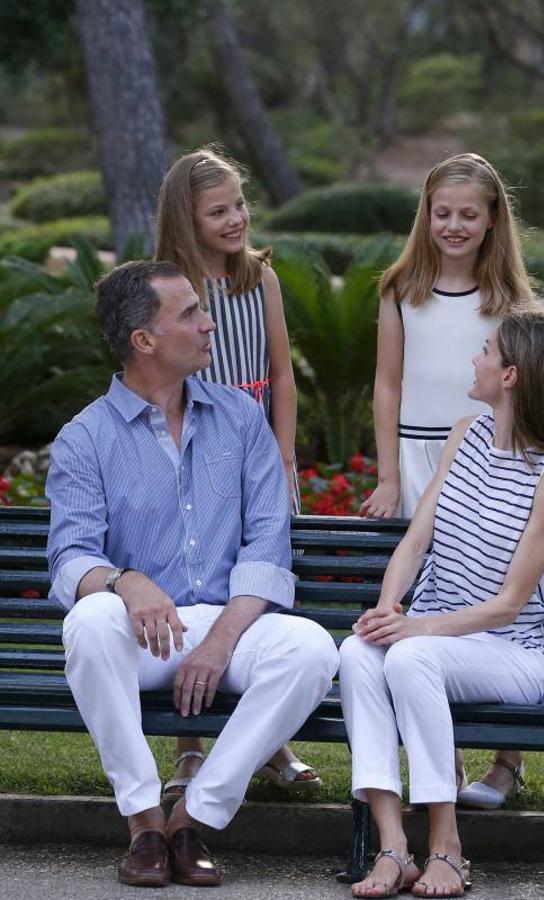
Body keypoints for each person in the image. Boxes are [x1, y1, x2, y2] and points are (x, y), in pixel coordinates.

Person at [47, 260, 339, 887]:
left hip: (227, 624)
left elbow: (267, 545)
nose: (210, 325)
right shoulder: (85, 439)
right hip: (145, 632)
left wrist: (221, 640)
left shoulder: (241, 419)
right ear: (143, 340)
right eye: (190, 314)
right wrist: (126, 582)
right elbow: (71, 558)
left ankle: (191, 820)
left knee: (311, 649)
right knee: (90, 622)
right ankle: (144, 823)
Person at [341, 308, 544, 898]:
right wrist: (388, 611)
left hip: (513, 652)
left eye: (486, 350)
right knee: (358, 652)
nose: (476, 358)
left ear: (510, 375)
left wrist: (416, 631)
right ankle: (392, 847)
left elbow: (509, 606)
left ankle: (447, 848)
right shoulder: (466, 433)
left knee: (409, 659)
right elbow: (417, 539)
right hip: (434, 636)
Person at [360, 152, 533, 807]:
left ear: (492, 221)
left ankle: (507, 760)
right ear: (425, 215)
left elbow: (525, 388)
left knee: (490, 592)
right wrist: (385, 476)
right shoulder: (401, 289)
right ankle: (446, 761)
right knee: (431, 600)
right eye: (442, 213)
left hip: (490, 459)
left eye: (469, 215)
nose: (453, 225)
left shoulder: (509, 299)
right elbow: (387, 383)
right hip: (415, 460)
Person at [155, 147, 318, 798]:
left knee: (259, 594)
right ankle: (190, 750)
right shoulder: (166, 288)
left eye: (240, 206)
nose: (235, 219)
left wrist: (285, 460)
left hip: (257, 462)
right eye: (217, 211)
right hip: (191, 460)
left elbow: (281, 375)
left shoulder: (262, 281)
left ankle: (270, 744)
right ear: (186, 219)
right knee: (193, 598)